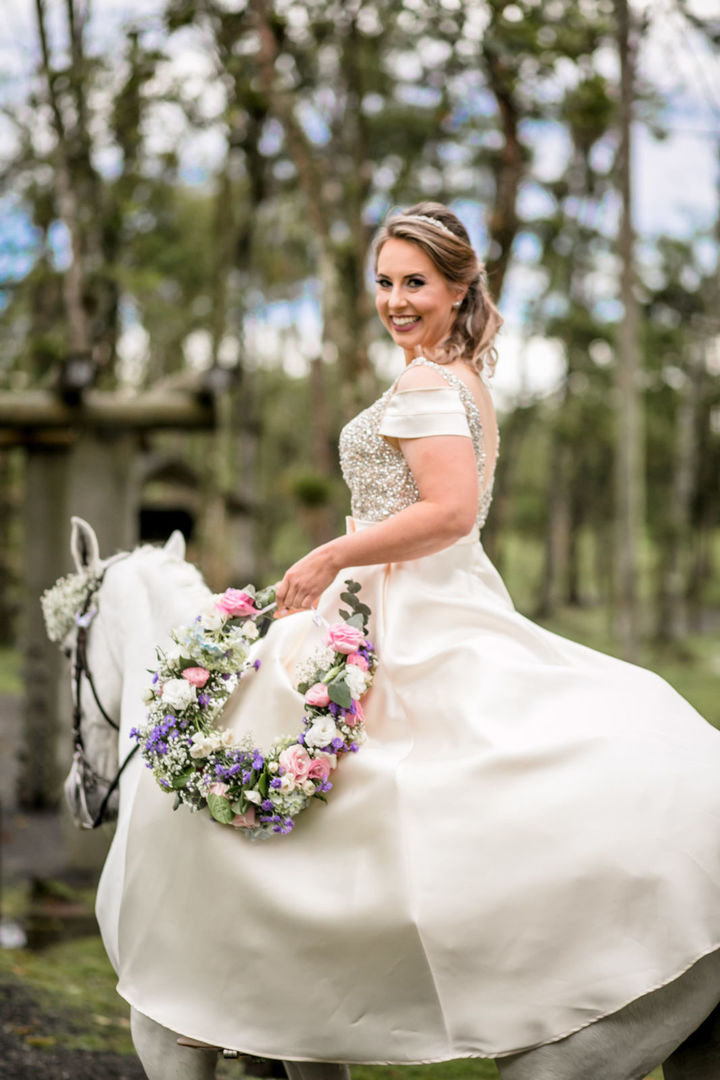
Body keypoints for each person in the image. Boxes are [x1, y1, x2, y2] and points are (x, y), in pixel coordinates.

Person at [117, 202, 720, 1070]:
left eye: (416, 283)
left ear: (458, 287)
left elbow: (448, 512)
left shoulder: (431, 383)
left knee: (282, 761)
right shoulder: (462, 374)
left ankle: (240, 989)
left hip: (413, 604)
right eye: (385, 281)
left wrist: (333, 552)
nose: (396, 300)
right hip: (412, 592)